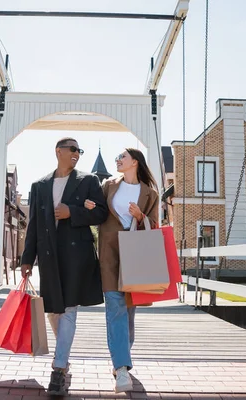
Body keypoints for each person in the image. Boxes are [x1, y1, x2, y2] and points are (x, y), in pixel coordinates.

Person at [20, 137, 109, 395]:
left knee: (69, 308)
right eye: (72, 149)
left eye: (79, 151)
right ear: (58, 151)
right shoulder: (39, 185)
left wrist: (73, 212)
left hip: (76, 256)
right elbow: (34, 225)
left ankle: (58, 370)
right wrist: (27, 259)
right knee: (52, 310)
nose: (77, 154)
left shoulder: (89, 181)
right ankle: (64, 357)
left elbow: (101, 213)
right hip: (48, 257)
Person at [84, 148, 159, 393]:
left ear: (134, 162)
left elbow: (156, 226)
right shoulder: (108, 185)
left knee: (128, 313)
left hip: (135, 254)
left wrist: (140, 216)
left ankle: (120, 359)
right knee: (115, 307)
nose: (118, 160)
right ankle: (122, 368)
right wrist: (89, 206)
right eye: (117, 158)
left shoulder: (150, 194)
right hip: (110, 254)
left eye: (122, 157)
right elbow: (98, 213)